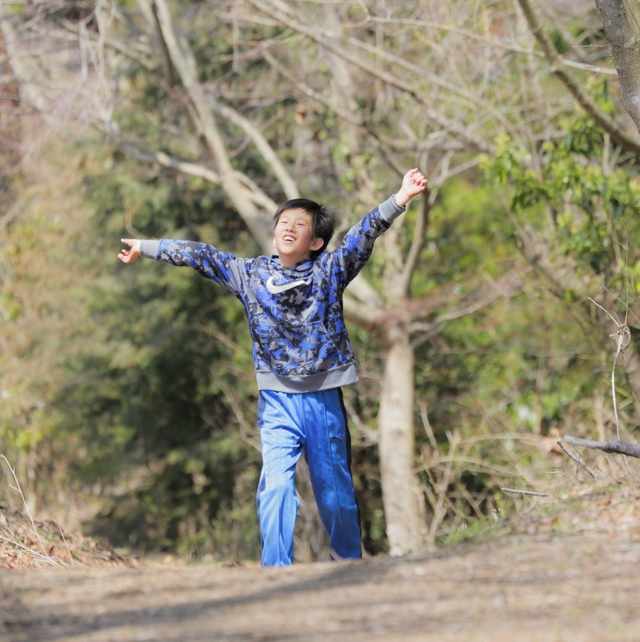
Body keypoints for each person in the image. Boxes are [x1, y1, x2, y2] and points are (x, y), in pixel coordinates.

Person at [118, 167, 428, 567]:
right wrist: (147, 246)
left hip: (323, 401)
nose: (288, 227)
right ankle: (275, 571)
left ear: (315, 242)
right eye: (283, 221)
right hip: (277, 402)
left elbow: (363, 234)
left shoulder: (329, 271)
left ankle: (348, 566)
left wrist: (400, 197)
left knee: (335, 497)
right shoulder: (251, 275)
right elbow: (203, 255)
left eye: (299, 225)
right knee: (276, 488)